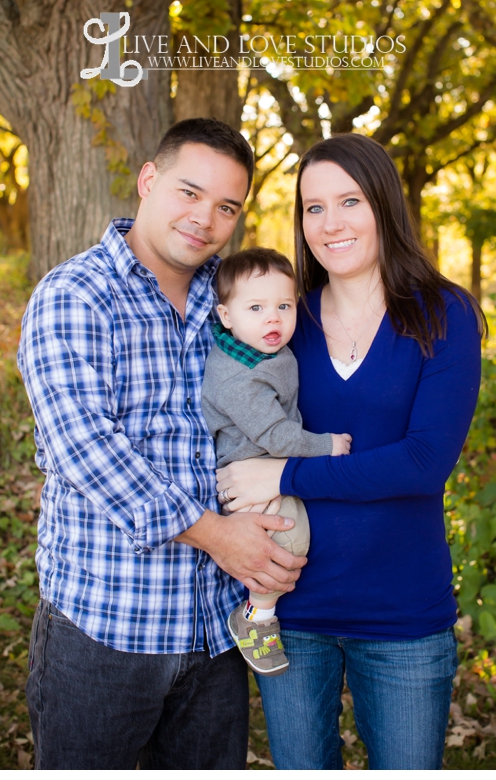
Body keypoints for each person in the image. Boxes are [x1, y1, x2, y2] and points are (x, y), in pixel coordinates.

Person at [16, 118, 307, 771]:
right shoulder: (76, 295)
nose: (205, 218)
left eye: (227, 206)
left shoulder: (231, 306)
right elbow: (84, 446)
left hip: (214, 633)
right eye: (188, 191)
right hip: (106, 631)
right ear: (149, 180)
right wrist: (218, 533)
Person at [216, 133, 486, 771]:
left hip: (402, 614)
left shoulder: (440, 315)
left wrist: (284, 471)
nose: (330, 223)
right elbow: (226, 426)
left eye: (349, 201)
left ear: (384, 205)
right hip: (289, 607)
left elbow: (423, 464)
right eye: (313, 207)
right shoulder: (281, 321)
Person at [201, 247, 352, 677]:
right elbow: (275, 434)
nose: (274, 318)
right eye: (256, 308)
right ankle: (256, 616)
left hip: (270, 463)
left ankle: (258, 609)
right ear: (226, 316)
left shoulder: (261, 350)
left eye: (284, 306)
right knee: (288, 538)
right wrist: (327, 446)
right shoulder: (239, 377)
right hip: (249, 472)